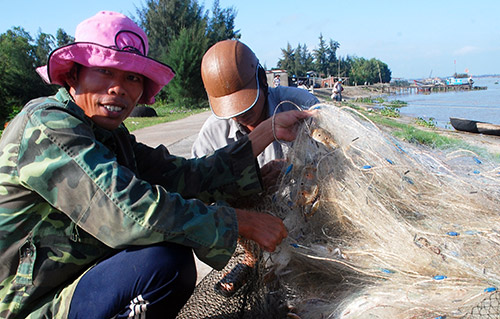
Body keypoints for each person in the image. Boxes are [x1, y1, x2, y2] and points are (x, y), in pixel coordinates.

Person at [0, 11, 313, 319]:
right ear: (73, 74)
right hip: (29, 301)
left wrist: (265, 131)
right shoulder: (49, 126)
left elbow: (185, 176)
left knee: (168, 255)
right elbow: (126, 209)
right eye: (106, 71)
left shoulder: (112, 136)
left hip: (77, 280)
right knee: (161, 264)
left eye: (132, 77)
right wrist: (238, 221)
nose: (118, 88)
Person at [191, 40, 319, 168]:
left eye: (247, 103)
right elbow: (198, 182)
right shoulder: (212, 135)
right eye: (232, 110)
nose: (241, 114)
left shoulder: (302, 106)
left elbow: (331, 159)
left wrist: (296, 169)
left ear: (262, 79)